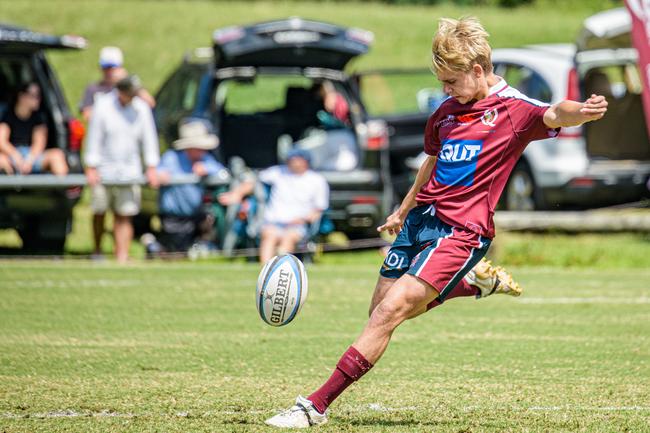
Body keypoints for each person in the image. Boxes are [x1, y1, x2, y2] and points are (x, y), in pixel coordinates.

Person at [265, 16, 608, 428]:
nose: (445, 90)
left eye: (451, 81)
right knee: (379, 311)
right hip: (421, 220)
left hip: (462, 233)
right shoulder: (446, 111)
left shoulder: (512, 110)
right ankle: (473, 285)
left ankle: (313, 407)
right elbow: (432, 161)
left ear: (478, 70)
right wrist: (404, 208)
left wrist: (583, 113)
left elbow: (555, 113)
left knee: (389, 313)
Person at [84, 75, 160, 263]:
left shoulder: (141, 108)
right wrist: (91, 165)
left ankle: (122, 255)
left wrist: (151, 166)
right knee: (100, 212)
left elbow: (149, 138)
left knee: (124, 215)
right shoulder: (102, 106)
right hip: (104, 169)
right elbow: (94, 137)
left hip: (130, 170)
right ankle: (97, 252)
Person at [218, 149, 329, 263]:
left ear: (305, 161)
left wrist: (303, 220)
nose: (293, 162)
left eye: (296, 159)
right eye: (291, 159)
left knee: (288, 238)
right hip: (273, 223)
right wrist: (238, 193)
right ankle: (266, 270)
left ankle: (281, 270)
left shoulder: (317, 180)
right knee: (269, 236)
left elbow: (319, 209)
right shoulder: (278, 172)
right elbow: (254, 181)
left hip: (298, 226)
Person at [150, 119, 227, 254]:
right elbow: (156, 175)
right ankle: (153, 246)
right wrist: (160, 176)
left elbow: (222, 172)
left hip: (196, 215)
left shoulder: (206, 159)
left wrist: (206, 169)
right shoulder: (171, 158)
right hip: (173, 216)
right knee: (176, 250)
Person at [0, 82, 68, 176]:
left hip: (32, 155)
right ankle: (11, 187)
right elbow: (2, 141)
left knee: (57, 155)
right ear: (22, 97)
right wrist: (15, 156)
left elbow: (39, 143)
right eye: (34, 96)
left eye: (38, 96)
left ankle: (63, 189)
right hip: (11, 154)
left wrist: (29, 160)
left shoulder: (39, 118)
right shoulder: (7, 115)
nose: (38, 99)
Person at [79, 46, 155, 122]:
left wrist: (126, 81)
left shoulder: (129, 87)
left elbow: (150, 103)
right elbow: (87, 115)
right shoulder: (93, 89)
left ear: (120, 67)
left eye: (112, 67)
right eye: (105, 67)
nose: (108, 71)